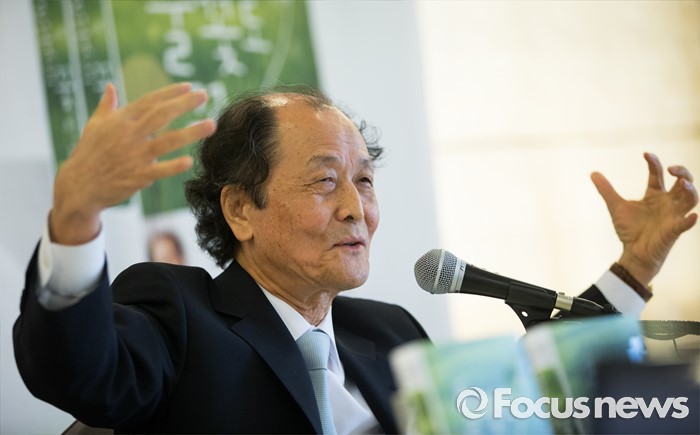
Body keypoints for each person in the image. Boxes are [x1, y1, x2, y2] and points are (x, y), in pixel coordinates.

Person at [13, 82, 698, 434]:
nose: (355, 208)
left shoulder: (388, 331)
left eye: (364, 181)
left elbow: (526, 397)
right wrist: (75, 219)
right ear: (241, 209)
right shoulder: (180, 314)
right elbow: (80, 372)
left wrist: (635, 268)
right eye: (324, 181)